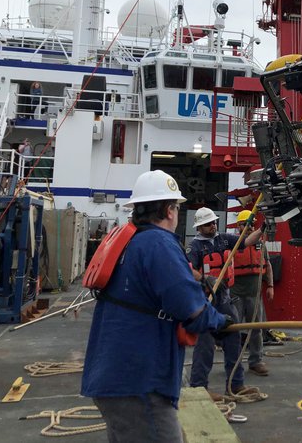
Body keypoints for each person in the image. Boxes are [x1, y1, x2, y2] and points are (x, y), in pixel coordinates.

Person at [81, 170, 233, 443]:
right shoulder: (159, 243)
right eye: (175, 207)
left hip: (112, 377)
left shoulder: (131, 241)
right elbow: (191, 307)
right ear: (169, 210)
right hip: (139, 382)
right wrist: (220, 322)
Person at [185, 207, 258, 400]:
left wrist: (261, 229)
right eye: (208, 223)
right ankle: (199, 387)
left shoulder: (224, 239)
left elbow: (246, 242)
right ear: (199, 227)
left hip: (225, 299)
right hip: (205, 302)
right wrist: (204, 278)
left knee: (234, 340)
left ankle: (236, 384)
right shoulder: (195, 247)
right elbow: (187, 269)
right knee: (205, 345)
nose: (213, 225)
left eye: (214, 222)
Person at [230, 209, 274, 376]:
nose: (248, 228)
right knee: (235, 329)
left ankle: (256, 361)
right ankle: (233, 362)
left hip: (254, 294)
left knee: (256, 329)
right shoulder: (232, 243)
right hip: (236, 294)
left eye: (250, 225)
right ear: (238, 226)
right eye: (244, 225)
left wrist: (270, 286)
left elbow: (267, 266)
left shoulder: (260, 244)